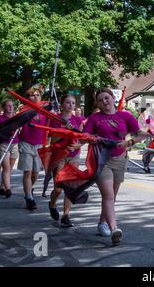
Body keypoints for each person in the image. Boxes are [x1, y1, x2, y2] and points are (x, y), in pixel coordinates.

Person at [84, 88, 145, 246]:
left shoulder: (125, 116)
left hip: (120, 158)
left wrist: (130, 142)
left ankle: (102, 223)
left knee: (111, 197)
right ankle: (114, 229)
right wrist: (90, 139)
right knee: (109, 196)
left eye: (107, 98)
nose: (105, 101)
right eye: (101, 100)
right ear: (97, 103)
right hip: (102, 160)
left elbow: (140, 134)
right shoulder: (94, 118)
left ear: (113, 98)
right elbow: (85, 136)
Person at [48, 95, 84, 227]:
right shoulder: (55, 119)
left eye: (73, 103)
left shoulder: (78, 120)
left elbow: (81, 139)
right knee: (58, 189)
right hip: (59, 155)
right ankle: (52, 204)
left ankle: (66, 215)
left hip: (73, 155)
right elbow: (54, 140)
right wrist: (65, 131)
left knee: (70, 187)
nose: (70, 105)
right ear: (62, 105)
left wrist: (77, 142)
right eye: (67, 102)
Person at [17, 85, 48, 210]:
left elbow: (48, 127)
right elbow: (17, 124)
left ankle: (30, 187)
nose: (35, 97)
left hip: (39, 144)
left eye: (37, 95)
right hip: (25, 143)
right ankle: (29, 197)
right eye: (32, 95)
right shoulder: (24, 110)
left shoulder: (45, 110)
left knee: (35, 172)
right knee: (28, 171)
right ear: (28, 97)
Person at [0, 99, 19, 198]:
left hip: (14, 144)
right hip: (4, 144)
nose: (10, 107)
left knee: (10, 168)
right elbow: (5, 128)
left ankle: (3, 186)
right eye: (8, 105)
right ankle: (8, 189)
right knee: (6, 168)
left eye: (11, 105)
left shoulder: (17, 117)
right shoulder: (0, 118)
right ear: (4, 107)